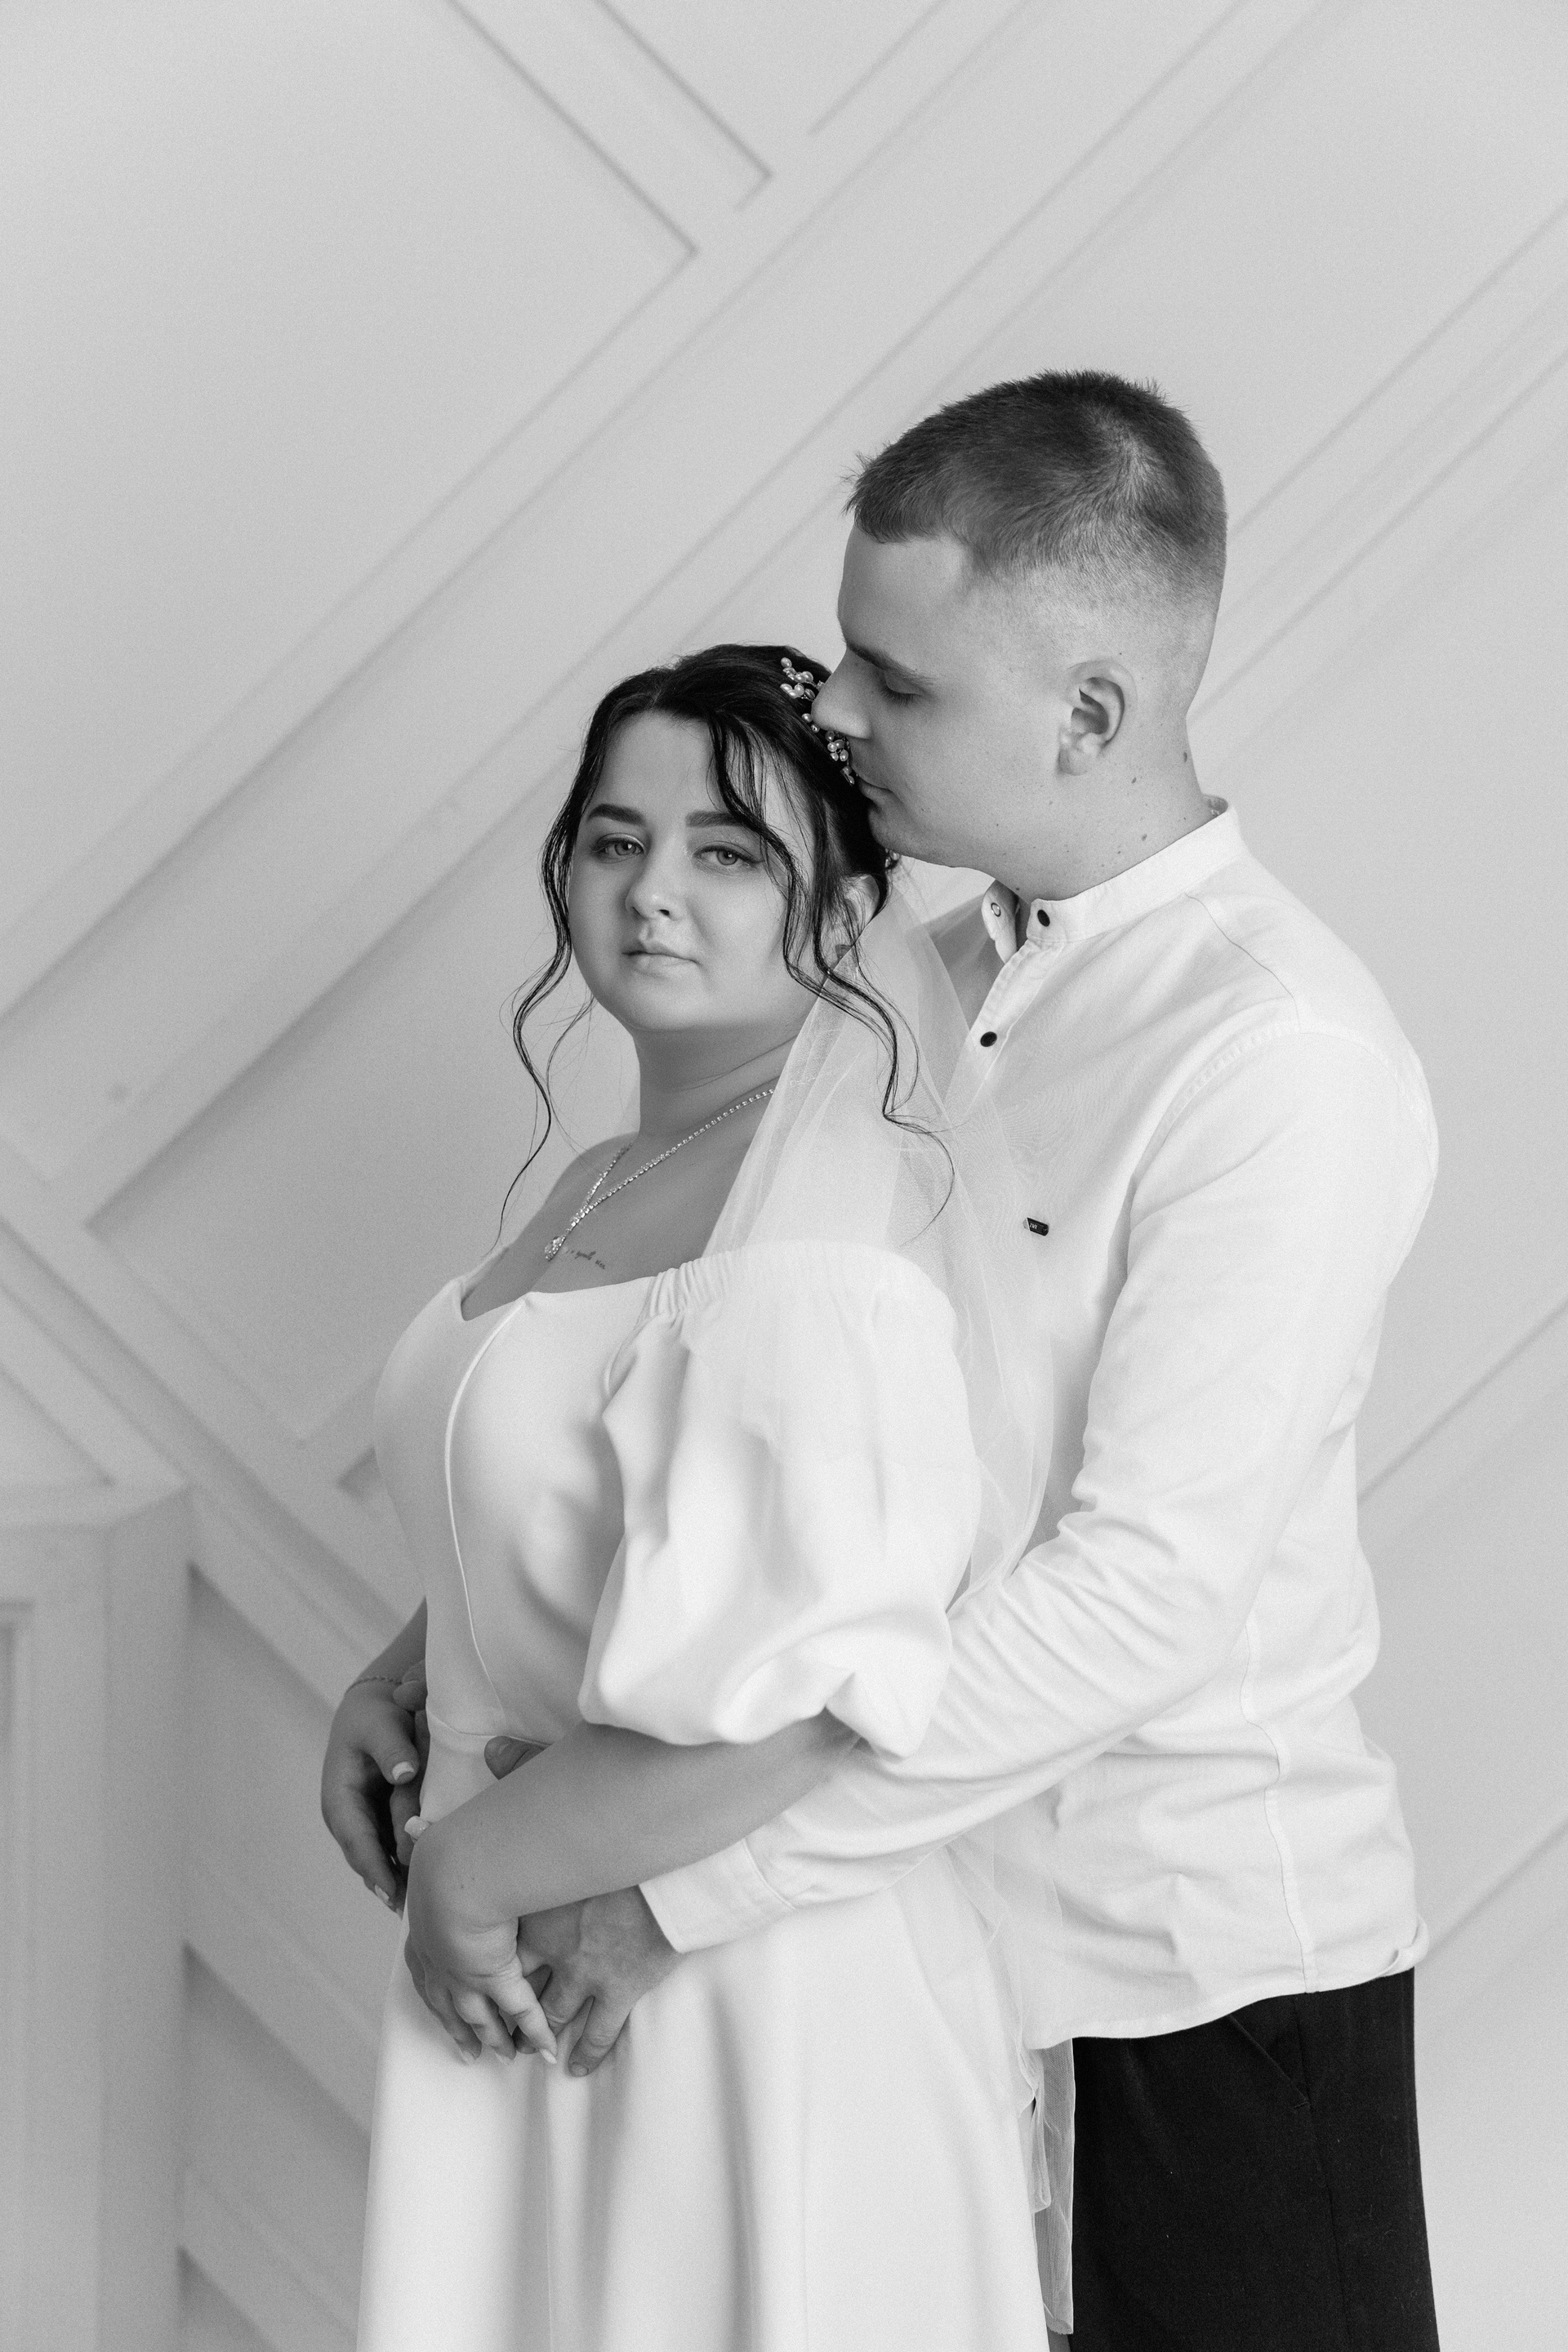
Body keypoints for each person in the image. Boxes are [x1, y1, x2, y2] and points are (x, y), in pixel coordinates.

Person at [327, 370, 1444, 2350]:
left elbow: (1141, 1591)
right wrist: (436, 1652)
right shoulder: (909, 984)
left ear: (1090, 713)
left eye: (895, 681)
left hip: (1183, 1980)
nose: (834, 711)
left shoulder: (1279, 1056)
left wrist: (675, 1887)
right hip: (901, 1951)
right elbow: (726, 1403)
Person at [340, 642, 1069, 2352]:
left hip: (732, 1985)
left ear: (844, 904)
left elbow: (834, 1692)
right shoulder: (608, 1176)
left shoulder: (828, 1234)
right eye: (616, 840)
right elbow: (617, 1488)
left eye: (728, 853)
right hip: (533, 1948)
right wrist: (411, 1667)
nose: (653, 891)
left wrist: (468, 1877)